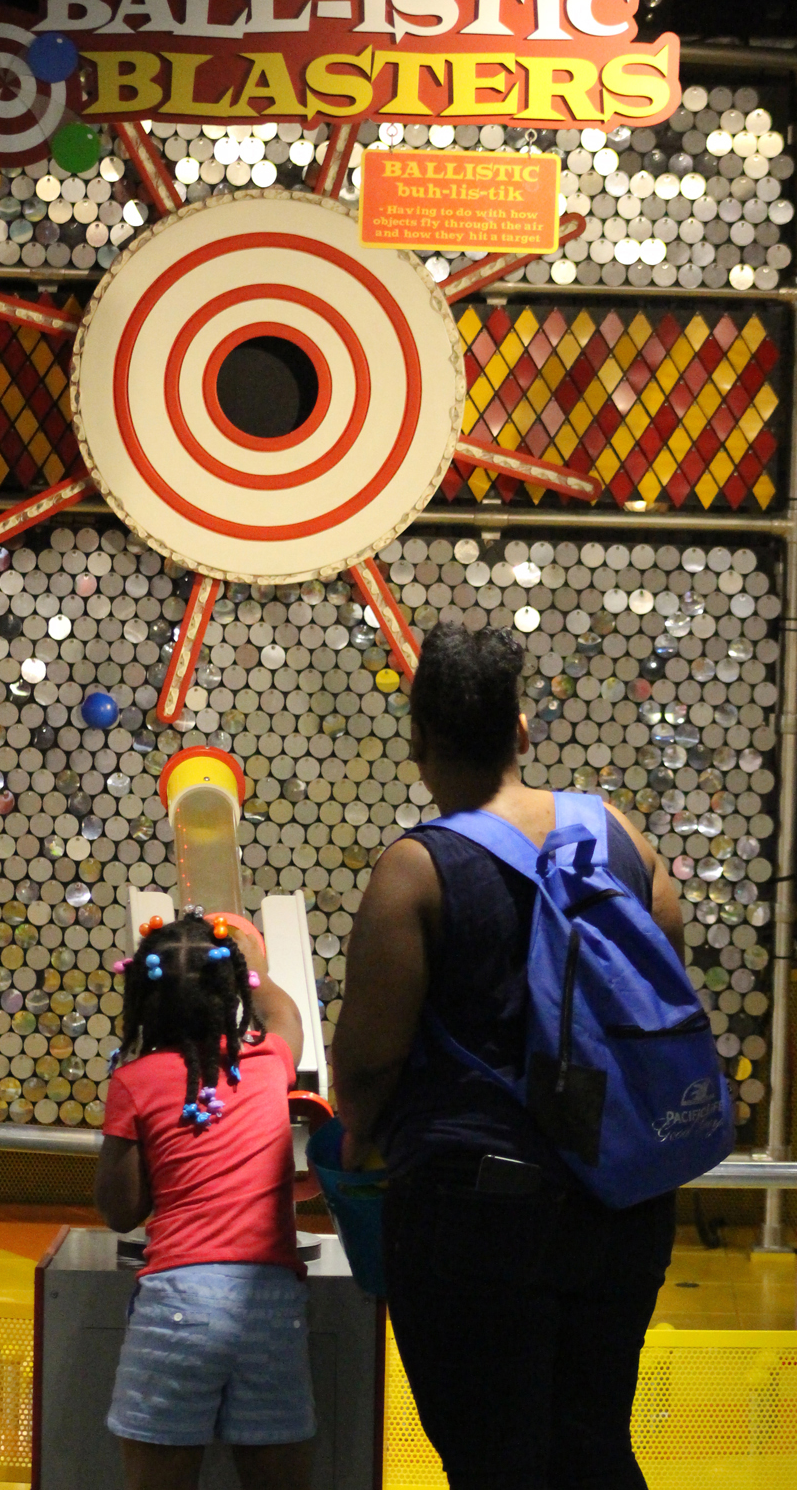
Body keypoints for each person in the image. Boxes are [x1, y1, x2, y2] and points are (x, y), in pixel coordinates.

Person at [332, 623, 682, 1490]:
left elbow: (370, 1059)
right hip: (620, 1201)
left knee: (495, 1462)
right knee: (594, 1445)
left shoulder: (414, 871)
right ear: (521, 729)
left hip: (473, 1212)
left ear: (419, 743)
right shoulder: (619, 834)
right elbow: (668, 983)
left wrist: (357, 1139)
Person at [95, 910, 314, 1490]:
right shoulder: (268, 1063)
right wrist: (257, 967)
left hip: (179, 1304)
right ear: (236, 990)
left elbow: (121, 1211)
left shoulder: (134, 1082)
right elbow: (285, 1015)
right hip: (268, 1302)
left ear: (141, 996)